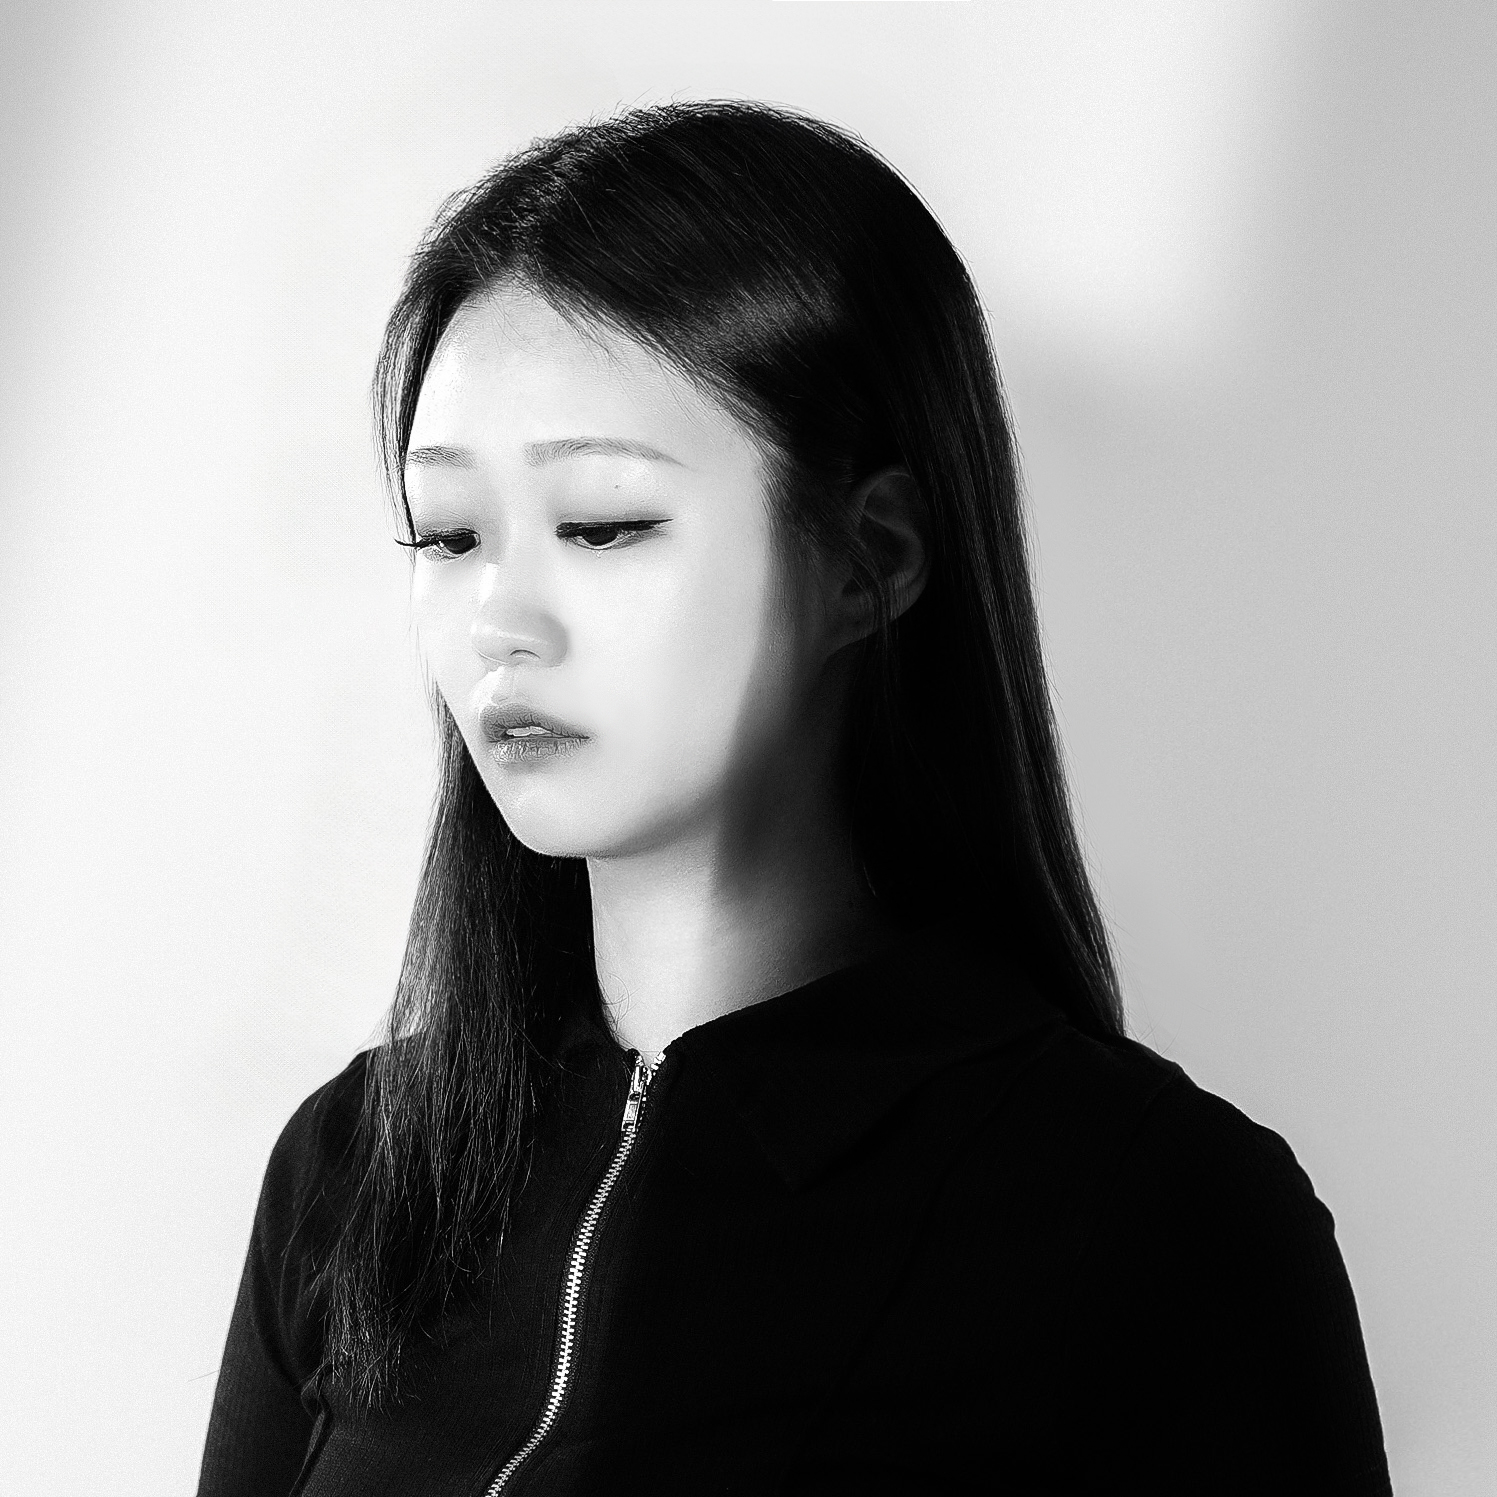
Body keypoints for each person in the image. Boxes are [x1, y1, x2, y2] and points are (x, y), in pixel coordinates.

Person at [197, 101, 1393, 1495]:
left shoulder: (1157, 1216)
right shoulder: (356, 1168)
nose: (499, 620)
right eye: (450, 534)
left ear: (869, 557)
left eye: (603, 523)